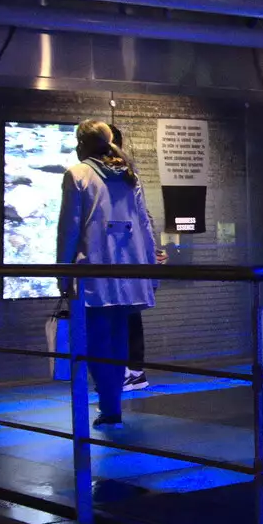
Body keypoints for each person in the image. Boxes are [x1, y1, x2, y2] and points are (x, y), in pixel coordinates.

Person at [57, 120, 157, 427]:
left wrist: (61, 274)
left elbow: (69, 229)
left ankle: (109, 406)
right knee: (118, 341)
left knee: (96, 344)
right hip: (129, 274)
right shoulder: (129, 176)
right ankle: (112, 406)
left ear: (81, 143)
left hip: (94, 275)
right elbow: (144, 224)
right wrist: (150, 271)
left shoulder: (77, 175)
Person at [107, 124, 165, 392]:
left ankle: (129, 372)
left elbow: (142, 217)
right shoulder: (129, 175)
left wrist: (152, 253)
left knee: (123, 314)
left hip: (116, 258)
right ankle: (131, 371)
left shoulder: (99, 175)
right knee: (127, 313)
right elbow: (144, 218)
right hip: (127, 257)